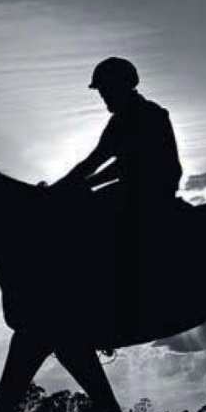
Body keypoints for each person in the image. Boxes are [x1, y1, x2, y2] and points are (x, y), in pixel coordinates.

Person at [52, 58, 184, 322]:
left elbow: (124, 165)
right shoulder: (121, 120)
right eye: (101, 91)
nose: (103, 96)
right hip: (133, 187)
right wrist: (59, 190)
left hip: (151, 189)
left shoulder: (147, 114)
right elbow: (95, 161)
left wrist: (76, 187)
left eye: (105, 90)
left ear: (122, 85)